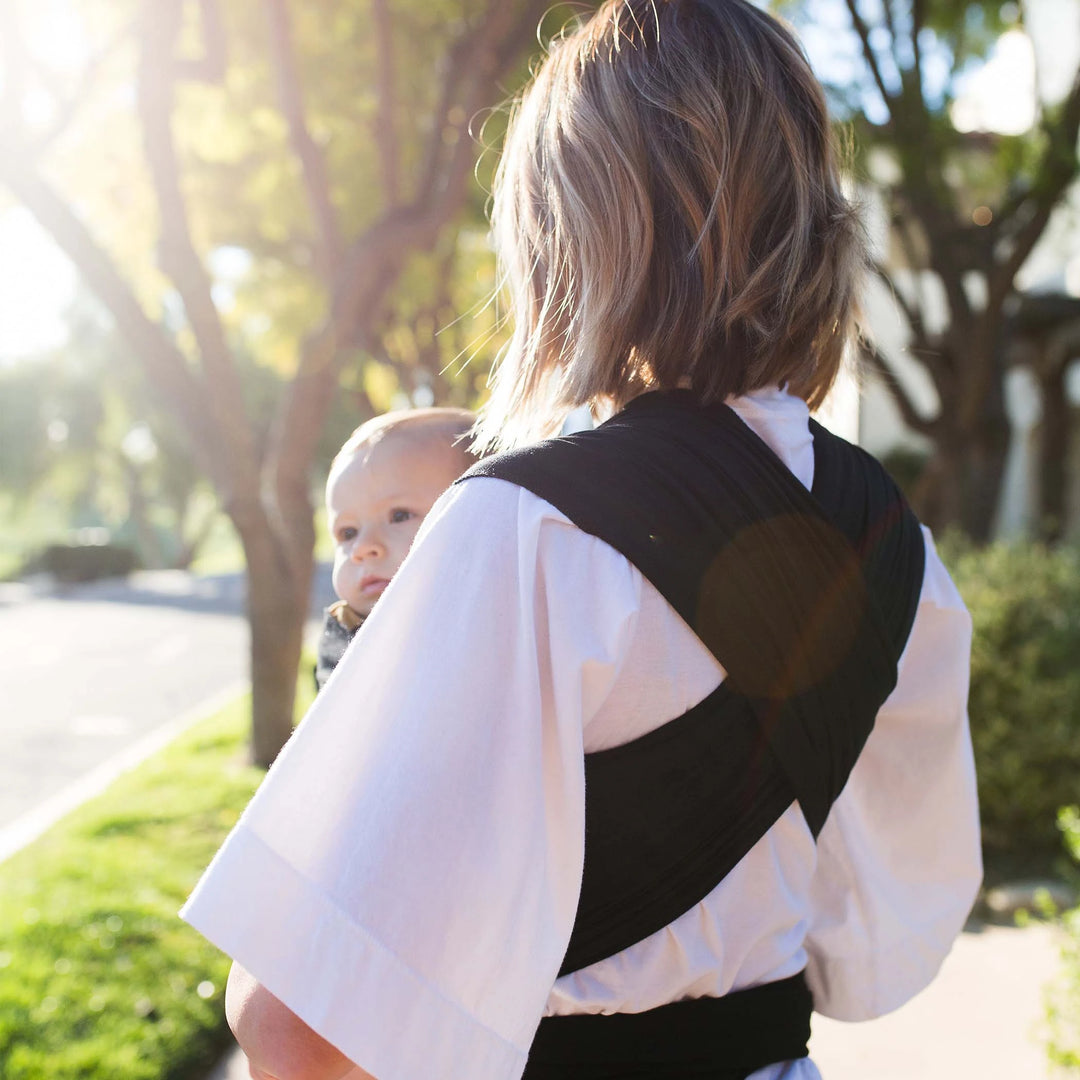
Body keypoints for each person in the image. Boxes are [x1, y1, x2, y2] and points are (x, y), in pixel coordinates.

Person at [181, 3, 982, 1079]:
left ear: (564, 234)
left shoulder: (523, 534)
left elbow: (296, 1025)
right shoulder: (900, 555)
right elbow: (873, 949)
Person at [313, 408, 477, 692]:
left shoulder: (500, 620)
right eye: (348, 533)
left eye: (399, 516)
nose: (363, 548)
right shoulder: (344, 642)